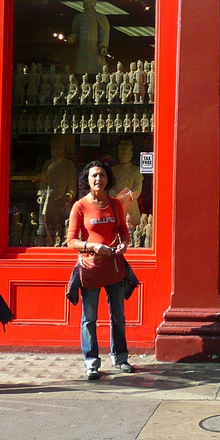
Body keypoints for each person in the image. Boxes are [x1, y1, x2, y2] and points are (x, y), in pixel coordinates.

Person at [67, 159, 140, 380]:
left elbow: (123, 231)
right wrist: (92, 246)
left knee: (118, 315)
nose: (98, 179)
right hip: (91, 267)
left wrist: (124, 244)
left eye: (102, 175)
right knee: (89, 317)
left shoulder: (115, 204)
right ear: (87, 180)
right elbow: (71, 241)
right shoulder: (80, 206)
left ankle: (120, 358)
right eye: (94, 176)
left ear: (108, 179)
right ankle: (91, 362)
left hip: (114, 266)